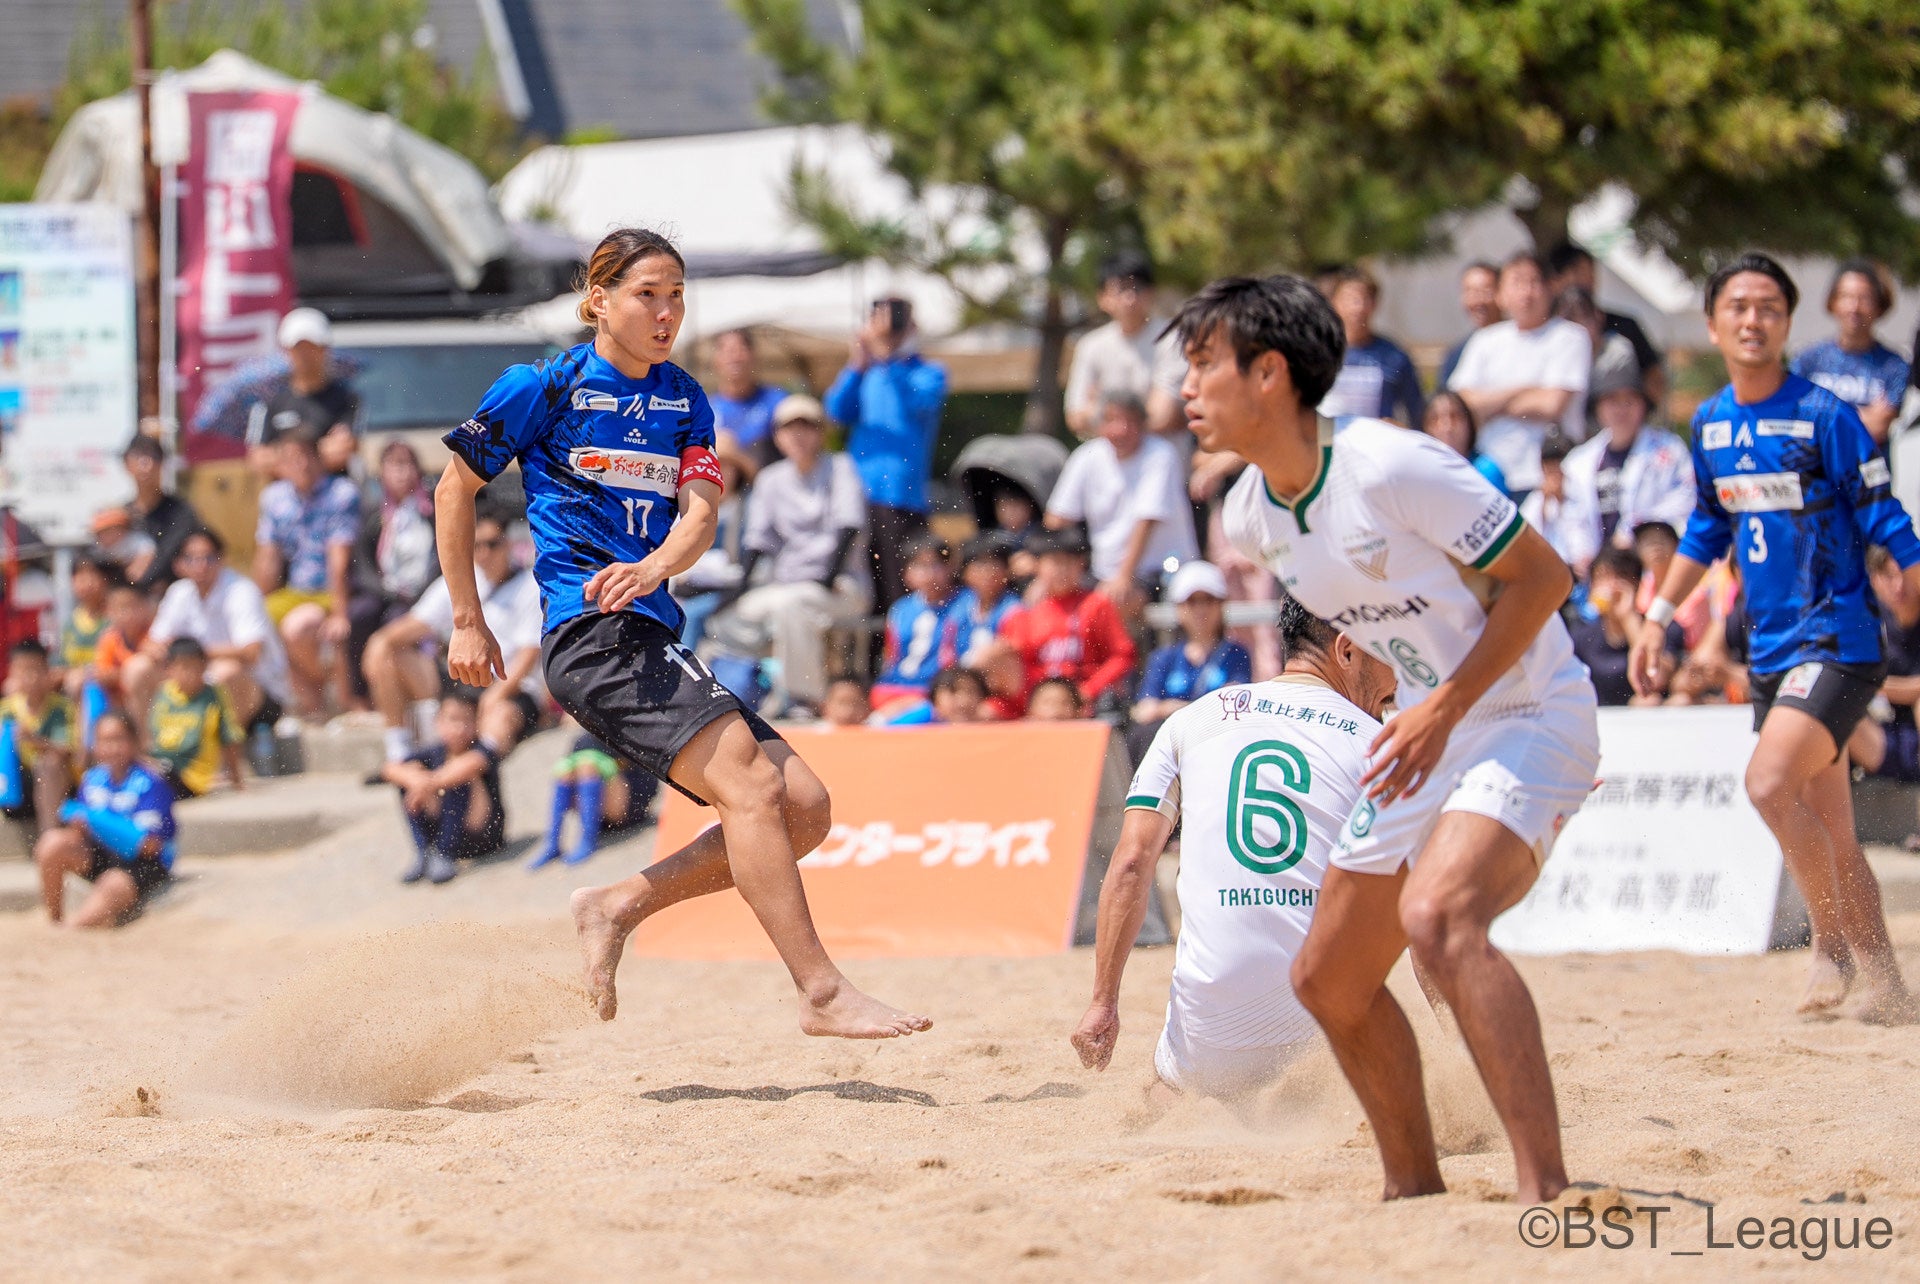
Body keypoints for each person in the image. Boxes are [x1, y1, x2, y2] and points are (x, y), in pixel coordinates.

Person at [436, 225, 929, 1038]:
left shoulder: (684, 398)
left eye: (677, 297)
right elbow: (453, 489)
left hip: (651, 630)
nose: (666, 313)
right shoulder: (543, 385)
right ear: (598, 301)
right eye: (647, 296)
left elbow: (702, 515)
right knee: (754, 788)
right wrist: (467, 618)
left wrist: (656, 565)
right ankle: (820, 993)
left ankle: (618, 904)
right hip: (591, 635)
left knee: (805, 808)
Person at [1184, 273, 1599, 1204]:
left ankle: (1549, 1195)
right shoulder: (1250, 513)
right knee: (1327, 978)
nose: (1185, 386)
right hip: (1427, 729)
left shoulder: (1391, 465)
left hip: (1527, 709)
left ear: (1270, 374)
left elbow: (1545, 580)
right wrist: (1413, 705)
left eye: (1204, 363)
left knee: (1440, 922)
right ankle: (1415, 1191)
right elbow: (1389, 621)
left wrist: (1443, 705)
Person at [1630, 251, 1919, 1025]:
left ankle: (1830, 945)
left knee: (1766, 785)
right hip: (1769, 649)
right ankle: (1887, 985)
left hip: (1837, 641)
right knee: (1834, 829)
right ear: (1713, 324)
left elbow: (1885, 517)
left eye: (1769, 307)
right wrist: (1658, 617)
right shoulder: (1710, 422)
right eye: (1739, 306)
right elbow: (1706, 526)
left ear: (1788, 324)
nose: (1753, 319)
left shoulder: (1825, 415)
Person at [1073, 599, 1397, 1102]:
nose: (1397, 679)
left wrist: (1103, 1003)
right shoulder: (1380, 742)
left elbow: (1133, 862)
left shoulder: (1191, 720)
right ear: (1348, 651)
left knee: (1169, 1084)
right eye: (1390, 655)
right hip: (1322, 1040)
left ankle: (1179, 1089)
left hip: (1207, 1046)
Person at [714, 394, 871, 716]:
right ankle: (750, 692)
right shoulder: (771, 478)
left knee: (792, 607)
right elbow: (758, 541)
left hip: (840, 583)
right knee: (723, 618)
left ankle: (804, 699)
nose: (798, 435)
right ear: (777, 436)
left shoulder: (840, 467)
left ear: (821, 432)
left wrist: (828, 576)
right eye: (789, 428)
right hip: (786, 585)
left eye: (807, 426)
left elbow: (849, 525)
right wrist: (739, 587)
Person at [362, 510, 543, 766]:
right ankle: (399, 752)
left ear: (508, 544)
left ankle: (472, 776)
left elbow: (528, 656)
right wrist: (378, 645)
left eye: (492, 544)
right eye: (476, 546)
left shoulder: (530, 586)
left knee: (498, 719)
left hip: (508, 686)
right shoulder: (462, 580)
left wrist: (493, 697)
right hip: (463, 680)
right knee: (386, 650)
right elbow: (413, 625)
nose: (484, 553)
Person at [825, 296, 948, 607]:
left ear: (913, 327)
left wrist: (890, 357)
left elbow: (919, 402)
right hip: (857, 496)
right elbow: (836, 411)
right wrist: (857, 364)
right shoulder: (866, 373)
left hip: (902, 497)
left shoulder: (929, 373)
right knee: (863, 590)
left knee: (899, 590)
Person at [1446, 251, 1592, 496]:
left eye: (1533, 282)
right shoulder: (1484, 340)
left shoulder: (1570, 337)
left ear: (1550, 288)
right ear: (1500, 294)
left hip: (1548, 474)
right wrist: (1525, 390)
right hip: (1490, 471)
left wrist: (1490, 406)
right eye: (1517, 282)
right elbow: (1462, 404)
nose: (1526, 292)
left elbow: (1551, 405)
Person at [1044, 391, 1200, 615]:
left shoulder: (1161, 454)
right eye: (1112, 420)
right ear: (1099, 425)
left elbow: (1147, 520)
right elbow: (1057, 518)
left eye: (1130, 421)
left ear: (1143, 423)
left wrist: (1123, 577)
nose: (1121, 429)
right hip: (1101, 573)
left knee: (1112, 605)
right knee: (1040, 598)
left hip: (1159, 570)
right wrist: (1043, 568)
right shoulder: (1086, 456)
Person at [33, 711, 176, 928]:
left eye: (119, 739)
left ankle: (73, 929)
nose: (112, 747)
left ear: (134, 742)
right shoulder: (92, 779)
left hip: (141, 865)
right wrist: (80, 827)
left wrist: (104, 824)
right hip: (101, 855)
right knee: (51, 843)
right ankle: (54, 920)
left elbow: (150, 846)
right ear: (96, 746)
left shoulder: (151, 782)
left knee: (112, 883)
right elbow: (79, 833)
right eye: (105, 741)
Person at [253, 430, 359, 719]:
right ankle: (307, 704)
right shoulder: (274, 498)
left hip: (329, 590)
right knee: (257, 626)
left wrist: (340, 612)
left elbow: (339, 560)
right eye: (291, 458)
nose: (301, 465)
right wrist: (256, 600)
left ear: (319, 459)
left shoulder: (341, 493)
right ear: (280, 465)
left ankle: (324, 691)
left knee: (297, 628)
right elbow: (268, 556)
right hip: (294, 591)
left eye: (306, 456)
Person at [141, 528, 291, 731]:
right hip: (201, 681)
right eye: (192, 559)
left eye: (208, 558)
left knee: (224, 672)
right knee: (139, 669)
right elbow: (153, 642)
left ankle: (228, 747)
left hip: (262, 696)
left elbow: (251, 651)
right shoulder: (179, 592)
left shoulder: (242, 591)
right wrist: (159, 651)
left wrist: (192, 656)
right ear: (178, 565)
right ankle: (156, 744)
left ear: (221, 560)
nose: (201, 566)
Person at [1557, 362, 1696, 576]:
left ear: (1643, 405)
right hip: (1596, 575)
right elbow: (1572, 517)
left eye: (1629, 400)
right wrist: (1582, 554)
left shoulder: (1670, 449)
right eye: (1612, 401)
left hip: (1652, 569)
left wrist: (1633, 531)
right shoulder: (1578, 462)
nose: (1621, 409)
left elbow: (1684, 501)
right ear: (1598, 406)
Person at [992, 527, 1137, 717]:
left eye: (1069, 562)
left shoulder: (1096, 605)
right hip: (1039, 704)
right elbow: (1016, 668)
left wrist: (1088, 691)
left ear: (1081, 564)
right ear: (1038, 566)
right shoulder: (1023, 615)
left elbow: (1123, 655)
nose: (1062, 570)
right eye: (1054, 562)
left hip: (1088, 702)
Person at [1127, 560, 1252, 760]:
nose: (1201, 610)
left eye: (1208, 600)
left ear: (1221, 605)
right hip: (1171, 750)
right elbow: (1145, 710)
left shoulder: (1237, 654)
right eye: (1192, 601)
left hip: (1216, 745)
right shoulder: (1163, 657)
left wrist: (1169, 707)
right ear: (1178, 607)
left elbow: (1235, 706)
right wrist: (1201, 707)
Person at [345, 440, 437, 708]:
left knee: (398, 623)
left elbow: (442, 557)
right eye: (395, 465)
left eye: (407, 465)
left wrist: (421, 590)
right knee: (360, 614)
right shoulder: (374, 512)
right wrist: (385, 590)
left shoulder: (430, 510)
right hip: (384, 590)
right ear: (382, 471)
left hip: (423, 591)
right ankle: (361, 695)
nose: (402, 473)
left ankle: (409, 694)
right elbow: (361, 562)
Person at [383, 692, 505, 886]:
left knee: (456, 776)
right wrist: (414, 780)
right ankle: (424, 850)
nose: (459, 728)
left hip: (481, 836)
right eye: (453, 720)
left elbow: (471, 764)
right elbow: (389, 768)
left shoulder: (482, 748)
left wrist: (425, 785)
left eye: (467, 721)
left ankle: (445, 851)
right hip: (441, 829)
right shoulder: (435, 751)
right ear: (438, 722)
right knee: (411, 773)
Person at [1063, 253, 1186, 438]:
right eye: (1121, 289)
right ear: (1102, 298)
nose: (1130, 298)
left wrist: (1101, 411)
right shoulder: (1091, 345)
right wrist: (1143, 413)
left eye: (1138, 288)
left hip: (1163, 451)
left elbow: (1163, 417)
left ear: (1151, 293)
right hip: (1110, 453)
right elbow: (1075, 418)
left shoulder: (1171, 338)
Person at [1791, 259, 1910, 445]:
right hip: (1813, 464)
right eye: (1846, 296)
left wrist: (1818, 418)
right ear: (1833, 302)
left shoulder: (1894, 366)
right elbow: (1792, 419)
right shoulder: (1807, 360)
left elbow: (1876, 428)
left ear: (1879, 305)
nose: (1854, 307)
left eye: (1865, 298)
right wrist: (1862, 417)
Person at [1547, 241, 1667, 406]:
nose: (1587, 280)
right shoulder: (1544, 332)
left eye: (1591, 273)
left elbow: (1653, 375)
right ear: (1555, 280)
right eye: (1577, 272)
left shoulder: (1624, 327)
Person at [249, 307, 360, 477]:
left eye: (311, 347)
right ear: (286, 351)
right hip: (285, 490)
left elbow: (341, 452)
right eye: (298, 348)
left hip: (331, 488)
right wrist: (314, 451)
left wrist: (283, 454)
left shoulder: (346, 399)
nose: (305, 355)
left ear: (325, 349)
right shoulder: (269, 402)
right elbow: (258, 460)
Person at [527, 732, 658, 871]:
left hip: (627, 807)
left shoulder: (625, 736)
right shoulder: (583, 740)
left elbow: (649, 781)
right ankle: (553, 843)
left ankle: (587, 840)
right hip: (599, 814)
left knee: (587, 766)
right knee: (567, 771)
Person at [1568, 547, 1682, 706]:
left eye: (1620, 577)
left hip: (1645, 714)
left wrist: (1629, 619)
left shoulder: (1662, 627)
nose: (1612, 586)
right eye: (1603, 577)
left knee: (1649, 702)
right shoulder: (1581, 636)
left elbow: (1657, 678)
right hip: (1598, 714)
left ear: (1637, 584)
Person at [1319, 264, 1425, 428]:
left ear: (1375, 304)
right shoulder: (1318, 353)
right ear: (1334, 302)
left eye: (1365, 299)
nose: (1358, 307)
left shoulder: (1394, 356)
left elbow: (1416, 411)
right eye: (1351, 299)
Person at [1848, 548, 1920, 785]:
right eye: (1889, 576)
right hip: (1886, 738)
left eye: (1904, 574)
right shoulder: (1866, 619)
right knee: (1831, 710)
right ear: (1874, 579)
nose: (1899, 586)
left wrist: (1874, 684)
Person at [147, 637, 246, 797]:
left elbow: (229, 737)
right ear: (169, 669)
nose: (189, 674)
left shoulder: (213, 695)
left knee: (153, 777)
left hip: (192, 778)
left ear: (204, 667)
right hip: (163, 765)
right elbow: (153, 736)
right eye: (183, 667)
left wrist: (237, 779)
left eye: (195, 667)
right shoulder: (164, 693)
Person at [871, 534, 962, 706]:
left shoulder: (965, 604)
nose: (929, 573)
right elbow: (892, 656)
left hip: (938, 690)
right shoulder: (900, 609)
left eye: (936, 564)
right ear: (906, 573)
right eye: (920, 566)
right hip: (897, 686)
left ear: (950, 568)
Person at [1, 639, 76, 838]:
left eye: (36, 670)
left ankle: (48, 836)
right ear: (12, 673)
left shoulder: (61, 708)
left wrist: (33, 740)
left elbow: (68, 750)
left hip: (53, 783)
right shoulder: (6, 709)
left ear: (47, 671)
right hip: (15, 784)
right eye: (23, 671)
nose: (31, 678)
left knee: (50, 764)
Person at [121, 435, 203, 593]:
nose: (146, 464)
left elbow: (167, 557)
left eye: (153, 457)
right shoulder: (122, 515)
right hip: (128, 600)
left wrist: (137, 575)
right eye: (138, 456)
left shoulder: (181, 512)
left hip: (172, 595)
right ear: (126, 464)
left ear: (162, 464)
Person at [708, 328, 790, 471]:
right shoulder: (705, 407)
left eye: (740, 349)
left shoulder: (776, 401)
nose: (734, 357)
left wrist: (734, 455)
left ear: (754, 356)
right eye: (728, 351)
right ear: (716, 361)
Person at [942, 533, 1020, 669]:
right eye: (979, 564)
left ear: (1007, 571)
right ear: (965, 572)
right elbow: (947, 652)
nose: (987, 571)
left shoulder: (1014, 610)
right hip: (959, 676)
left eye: (994, 564)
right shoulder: (958, 606)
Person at [1420, 390, 1508, 497]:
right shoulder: (1419, 475)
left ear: (1469, 423)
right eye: (1435, 419)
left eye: (1454, 416)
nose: (1447, 426)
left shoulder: (1486, 471)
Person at [91, 579, 159, 716]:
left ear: (145, 607)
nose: (127, 614)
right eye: (121, 608)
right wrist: (121, 674)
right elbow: (101, 674)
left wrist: (116, 675)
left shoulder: (154, 634)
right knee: (89, 685)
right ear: (109, 611)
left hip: (149, 701)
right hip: (119, 701)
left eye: (133, 607)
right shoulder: (110, 638)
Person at [56, 553, 119, 698]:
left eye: (93, 575)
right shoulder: (71, 622)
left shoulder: (115, 619)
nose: (87, 583)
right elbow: (62, 663)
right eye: (80, 577)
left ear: (106, 579)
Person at [1519, 435, 1585, 571]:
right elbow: (1529, 535)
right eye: (1549, 469)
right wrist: (1545, 500)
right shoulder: (1536, 499)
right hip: (1550, 568)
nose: (1553, 475)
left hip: (1581, 566)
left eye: (1557, 468)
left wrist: (1561, 498)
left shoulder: (1582, 492)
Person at [1434, 261, 1501, 391]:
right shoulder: (1457, 353)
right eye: (1470, 292)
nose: (1478, 300)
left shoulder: (1521, 342)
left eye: (1486, 291)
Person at [89, 508, 156, 584]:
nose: (104, 536)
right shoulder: (98, 548)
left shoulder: (135, 540)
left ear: (122, 528)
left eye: (109, 531)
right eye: (100, 533)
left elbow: (148, 552)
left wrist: (136, 568)